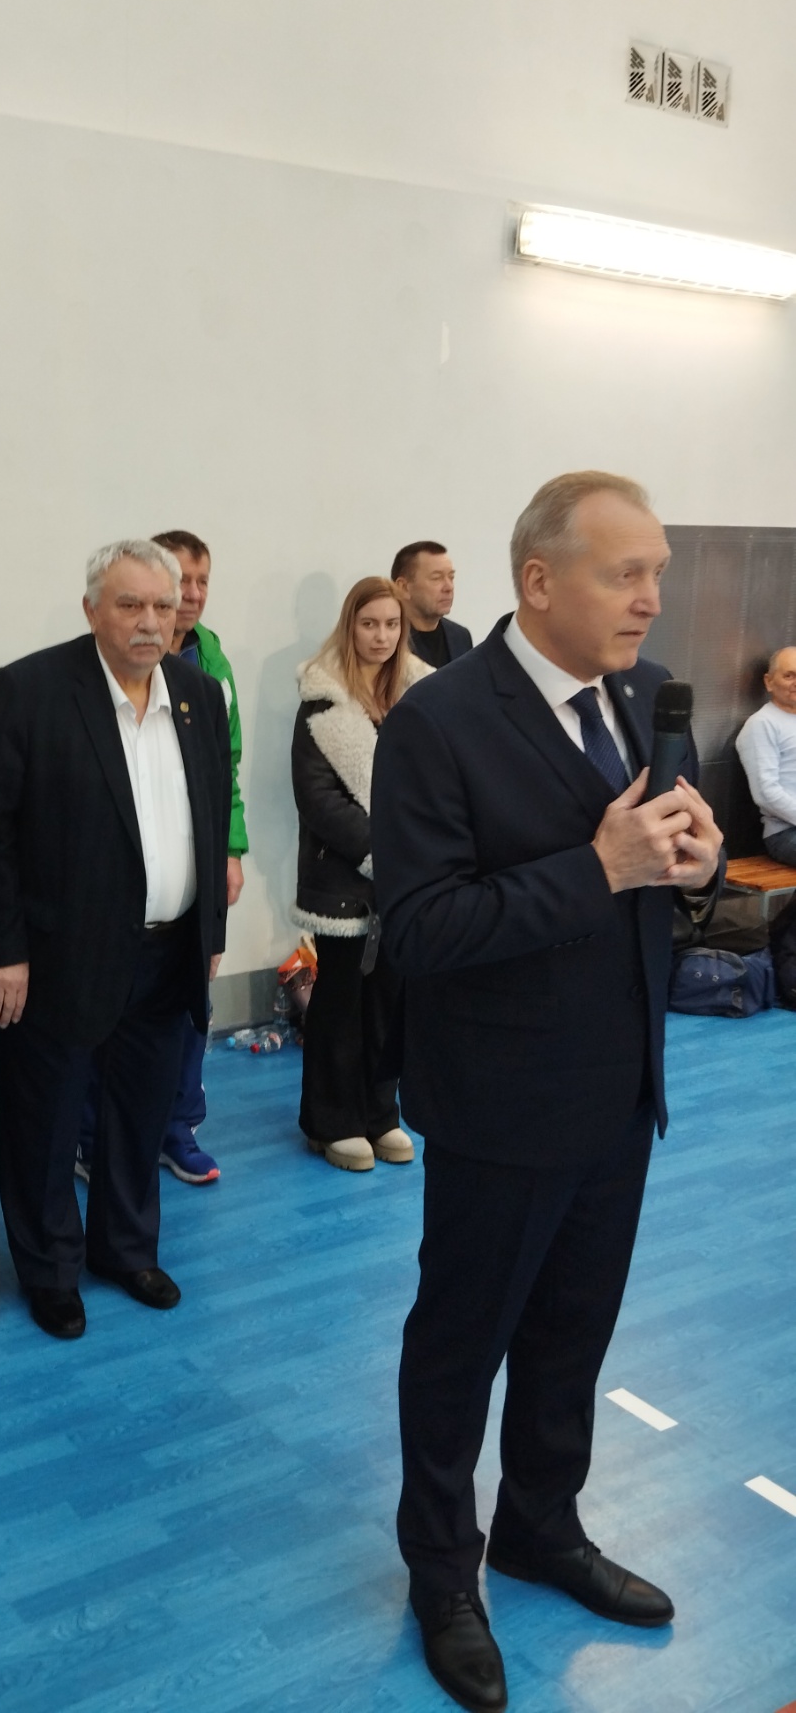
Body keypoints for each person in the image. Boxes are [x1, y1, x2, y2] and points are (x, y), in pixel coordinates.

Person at [372, 472, 722, 1711]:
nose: (649, 598)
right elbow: (418, 930)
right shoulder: (437, 722)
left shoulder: (641, 695)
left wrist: (694, 864)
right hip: (498, 1104)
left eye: (656, 573)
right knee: (459, 1347)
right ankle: (439, 1571)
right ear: (536, 582)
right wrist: (598, 868)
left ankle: (538, 1523)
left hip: (618, 1093)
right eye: (624, 574)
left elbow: (654, 871)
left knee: (573, 1332)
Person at [0, 540, 231, 1341]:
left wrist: (208, 932)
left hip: (168, 949)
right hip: (58, 956)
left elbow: (210, 817)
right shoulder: (31, 690)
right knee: (46, 1126)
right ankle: (50, 1270)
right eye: (130, 604)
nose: (150, 621)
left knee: (140, 1115)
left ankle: (125, 1249)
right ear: (90, 610)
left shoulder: (197, 694)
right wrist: (0, 949)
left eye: (163, 604)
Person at [75, 528, 248, 1187]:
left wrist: (229, 850)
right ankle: (91, 1137)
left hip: (185, 904)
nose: (187, 598)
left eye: (195, 586)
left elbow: (224, 774)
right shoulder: (72, 686)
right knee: (102, 1031)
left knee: (184, 1014)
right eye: (136, 603)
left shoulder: (211, 671)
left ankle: (177, 1127)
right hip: (106, 918)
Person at [291, 576, 428, 1171]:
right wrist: (384, 852)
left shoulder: (422, 696)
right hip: (344, 879)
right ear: (350, 627)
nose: (381, 636)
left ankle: (379, 1113)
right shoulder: (320, 701)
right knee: (340, 1001)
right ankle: (331, 1121)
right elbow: (318, 799)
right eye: (369, 623)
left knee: (391, 1001)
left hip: (407, 878)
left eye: (391, 624)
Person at [735, 647, 796, 866]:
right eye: (789, 675)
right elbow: (765, 793)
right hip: (785, 833)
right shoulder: (762, 724)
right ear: (769, 682)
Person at [392, 541, 472, 670]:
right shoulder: (388, 640)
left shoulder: (460, 636)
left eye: (451, 577)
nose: (449, 587)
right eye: (436, 578)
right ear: (403, 587)